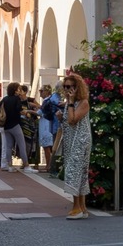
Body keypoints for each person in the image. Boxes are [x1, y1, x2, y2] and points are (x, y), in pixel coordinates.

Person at [58, 74, 93, 219]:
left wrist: (70, 102)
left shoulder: (83, 103)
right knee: (80, 173)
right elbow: (67, 123)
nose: (67, 90)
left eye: (70, 87)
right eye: (65, 87)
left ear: (77, 87)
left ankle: (76, 208)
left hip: (80, 141)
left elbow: (73, 120)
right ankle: (82, 208)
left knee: (74, 172)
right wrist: (61, 117)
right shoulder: (68, 104)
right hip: (71, 141)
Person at [0, 83, 28, 172]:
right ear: (15, 91)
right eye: (19, 89)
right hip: (15, 125)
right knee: (22, 144)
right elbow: (19, 108)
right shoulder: (16, 99)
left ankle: (10, 166)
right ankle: (26, 165)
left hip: (6, 125)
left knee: (8, 146)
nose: (20, 91)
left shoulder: (5, 99)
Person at [38, 84, 60, 173]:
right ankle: (49, 165)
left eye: (41, 91)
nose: (40, 93)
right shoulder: (49, 100)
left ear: (47, 92)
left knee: (47, 146)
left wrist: (29, 111)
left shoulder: (48, 101)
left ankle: (49, 165)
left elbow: (40, 112)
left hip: (46, 124)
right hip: (47, 123)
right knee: (48, 145)